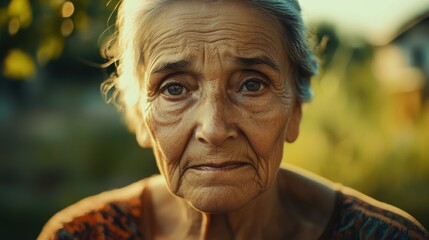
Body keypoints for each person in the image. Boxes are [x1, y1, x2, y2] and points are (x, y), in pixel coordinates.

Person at [38, 0, 428, 239]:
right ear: (139, 115)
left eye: (252, 85)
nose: (214, 128)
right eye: (175, 89)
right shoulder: (81, 235)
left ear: (295, 109)